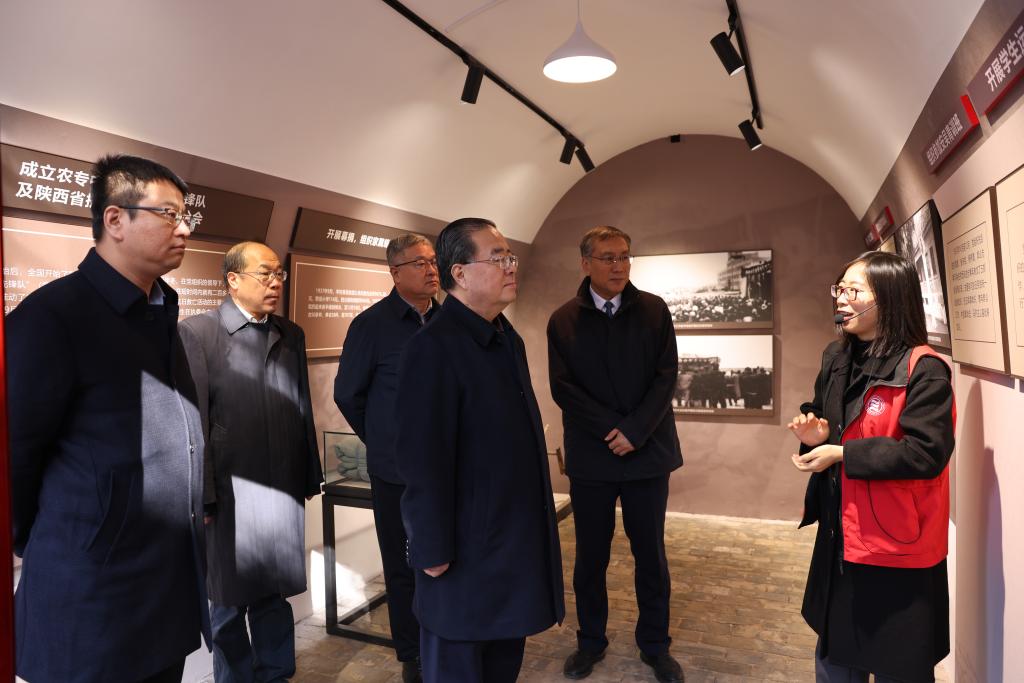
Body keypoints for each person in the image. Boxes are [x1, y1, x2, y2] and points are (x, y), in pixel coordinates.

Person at [7, 154, 210, 682]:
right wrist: (71, 536)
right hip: (91, 593)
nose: (184, 228)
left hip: (161, 586)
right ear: (115, 219)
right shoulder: (51, 317)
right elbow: (14, 455)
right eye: (169, 214)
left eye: (186, 215)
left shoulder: (160, 312)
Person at [394, 218, 564, 683]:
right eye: (498, 257)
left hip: (507, 545)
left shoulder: (507, 338)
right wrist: (431, 548)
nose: (511, 266)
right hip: (461, 553)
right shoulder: (432, 348)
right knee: (459, 665)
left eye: (511, 257)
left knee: (501, 664)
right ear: (460, 274)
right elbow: (421, 458)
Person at [789, 251, 955, 683]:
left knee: (900, 664)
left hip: (896, 546)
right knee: (835, 662)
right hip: (840, 536)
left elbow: (926, 453)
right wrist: (815, 432)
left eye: (853, 291)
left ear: (889, 298)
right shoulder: (836, 356)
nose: (841, 299)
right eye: (839, 289)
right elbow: (822, 411)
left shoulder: (925, 369)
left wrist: (843, 454)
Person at [179, 241, 324, 683]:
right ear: (233, 280)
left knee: (273, 594)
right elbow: (193, 421)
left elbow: (302, 407)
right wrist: (203, 496)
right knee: (227, 599)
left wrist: (309, 475)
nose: (275, 282)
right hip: (229, 493)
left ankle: (276, 674)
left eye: (279, 273)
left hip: (280, 484)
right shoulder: (199, 333)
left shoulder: (290, 333)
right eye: (265, 274)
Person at [547, 226, 684, 683]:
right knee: (591, 557)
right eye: (607, 257)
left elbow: (666, 376)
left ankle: (655, 645)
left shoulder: (654, 310)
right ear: (585, 263)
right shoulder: (563, 320)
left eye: (624, 256)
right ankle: (590, 641)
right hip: (593, 456)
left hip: (647, 454)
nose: (618, 265)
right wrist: (612, 430)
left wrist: (635, 431)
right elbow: (563, 388)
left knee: (651, 556)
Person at [334, 233, 441, 682]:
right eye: (420, 263)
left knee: (447, 562)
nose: (431, 269)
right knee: (403, 568)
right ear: (395, 272)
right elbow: (348, 394)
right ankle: (412, 657)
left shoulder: (450, 320)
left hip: (449, 471)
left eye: (434, 261)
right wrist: (385, 440)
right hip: (397, 474)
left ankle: (446, 645)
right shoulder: (372, 325)